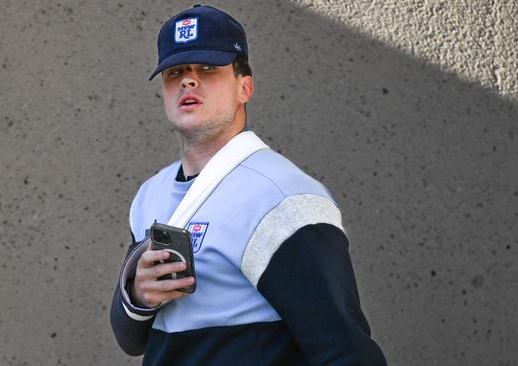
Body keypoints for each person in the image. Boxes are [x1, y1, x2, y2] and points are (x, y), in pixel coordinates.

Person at [110, 4, 387, 365]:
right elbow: (131, 341)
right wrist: (138, 296)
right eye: (175, 71)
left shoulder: (282, 197)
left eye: (208, 68)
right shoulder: (151, 194)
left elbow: (345, 354)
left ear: (245, 87)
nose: (188, 81)